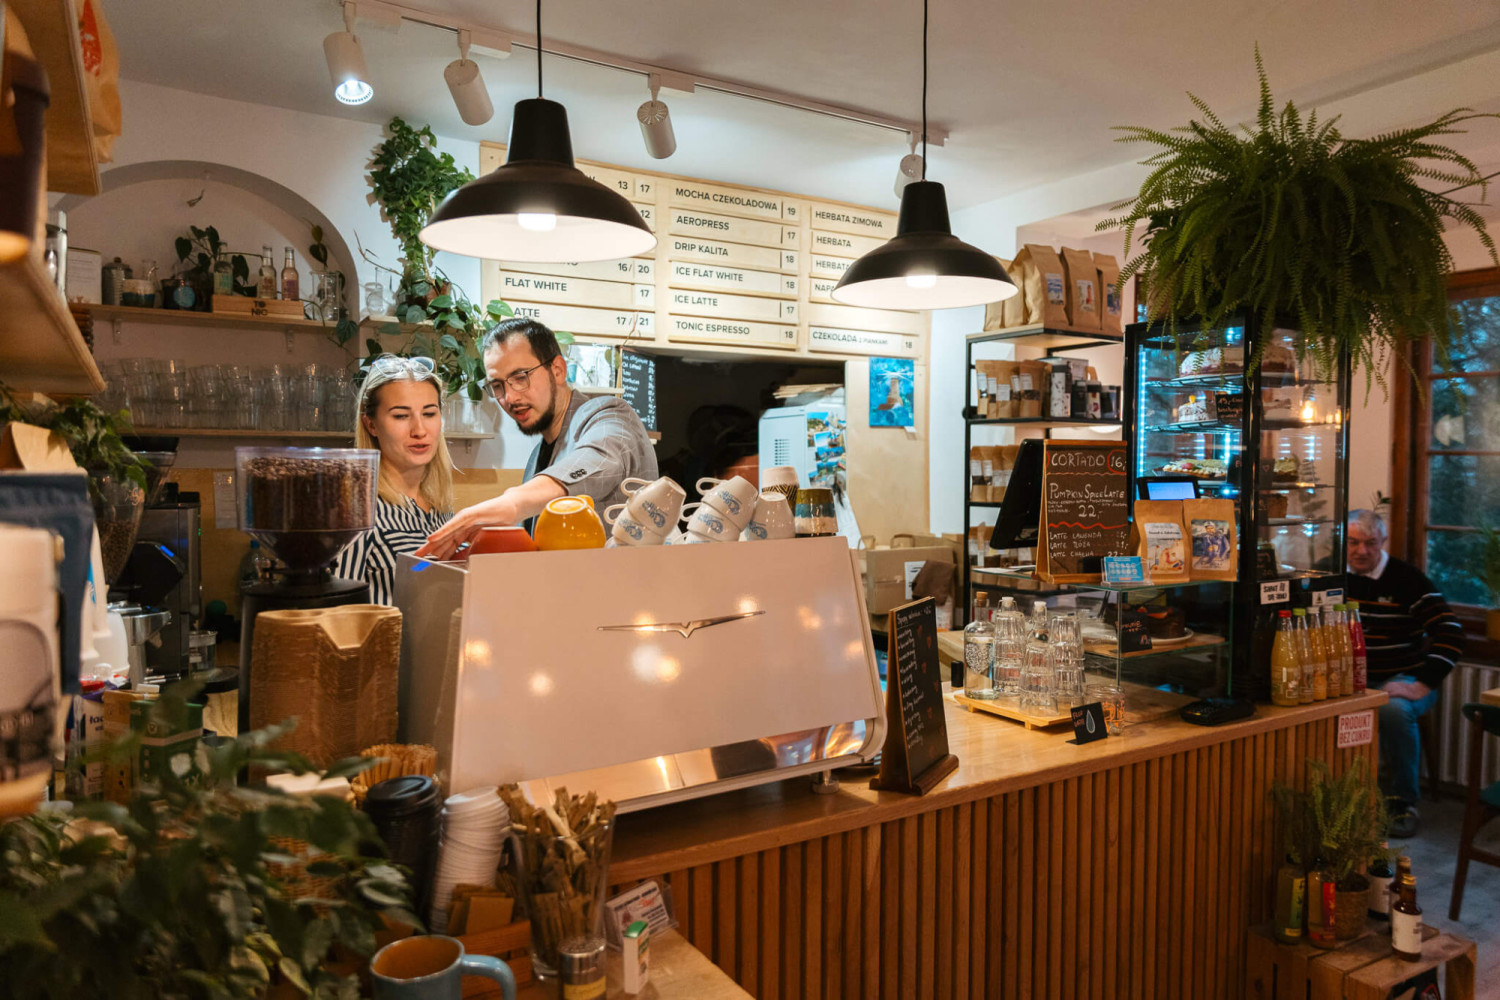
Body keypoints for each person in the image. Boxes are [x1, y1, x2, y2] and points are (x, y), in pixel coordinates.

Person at [418, 319, 656, 559]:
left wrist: (511, 504)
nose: (509, 398)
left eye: (520, 377)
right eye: (498, 385)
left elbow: (599, 459)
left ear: (558, 370)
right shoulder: (537, 457)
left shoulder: (611, 415)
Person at [1344, 508, 1466, 837]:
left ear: (1383, 541)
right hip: (1345, 680)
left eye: (1370, 543)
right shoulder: (1330, 572)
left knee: (1395, 711)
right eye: (1353, 542)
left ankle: (1403, 803)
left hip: (1401, 678)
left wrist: (1422, 684)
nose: (1361, 551)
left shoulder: (1407, 579)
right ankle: (1338, 799)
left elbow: (1451, 634)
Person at [333, 355, 454, 605]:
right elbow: (339, 614)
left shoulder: (441, 509)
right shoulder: (355, 513)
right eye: (401, 416)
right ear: (371, 425)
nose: (419, 430)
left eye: (429, 413)